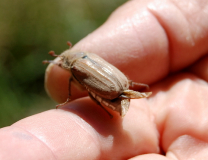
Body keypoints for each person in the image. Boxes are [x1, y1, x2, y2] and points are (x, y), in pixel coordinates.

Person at [1, 0, 208, 159]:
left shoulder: (76, 66)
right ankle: (118, 97)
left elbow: (88, 84)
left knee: (86, 89)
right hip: (117, 84)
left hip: (111, 88)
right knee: (89, 88)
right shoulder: (85, 56)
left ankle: (111, 101)